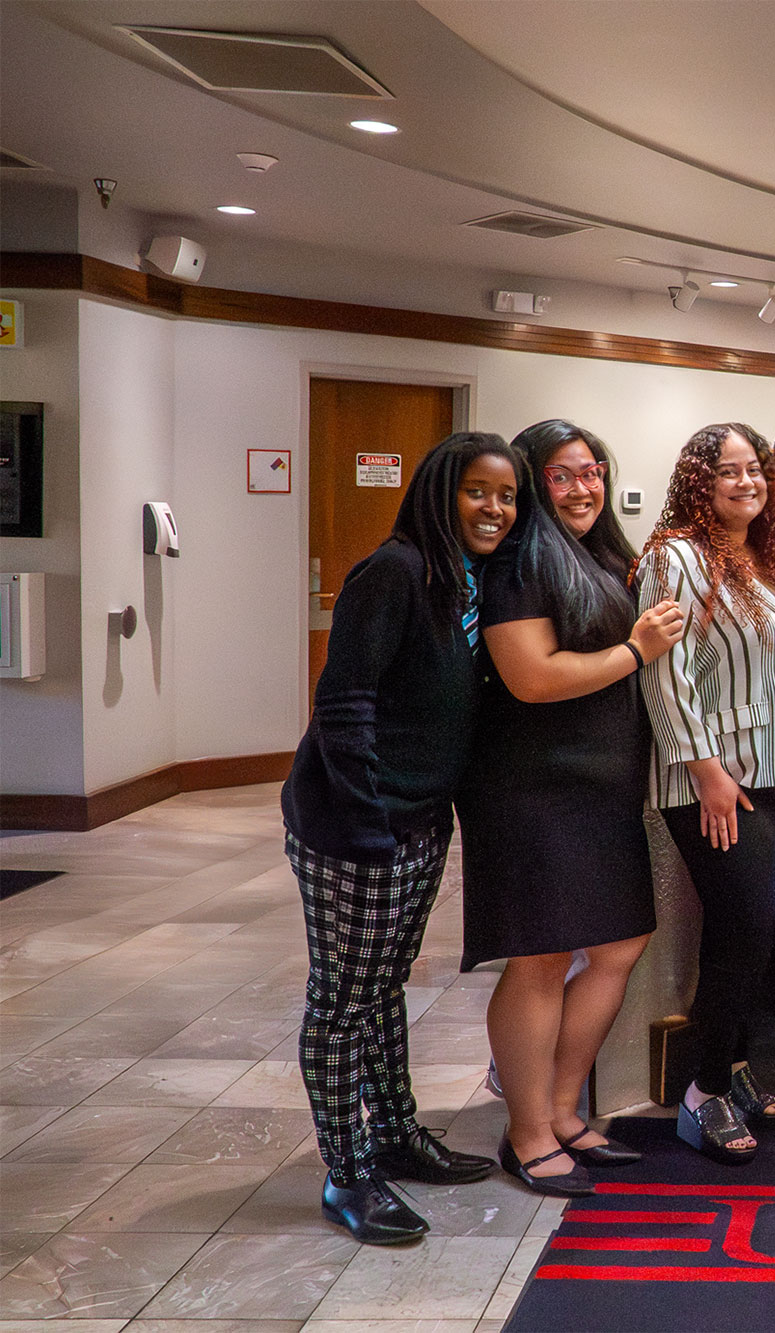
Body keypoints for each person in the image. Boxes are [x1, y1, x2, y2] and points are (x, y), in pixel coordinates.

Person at [284, 433, 522, 1243]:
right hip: (357, 827)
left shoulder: (464, 576)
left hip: (418, 819)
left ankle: (394, 1131)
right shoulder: (393, 569)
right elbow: (344, 701)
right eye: (478, 491)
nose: (495, 508)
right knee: (343, 1000)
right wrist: (366, 824)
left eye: (507, 495)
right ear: (439, 490)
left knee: (384, 988)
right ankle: (347, 1171)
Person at [459, 420, 685, 1198]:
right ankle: (525, 1133)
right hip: (533, 783)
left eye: (593, 471)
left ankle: (560, 1107)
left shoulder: (605, 555)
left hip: (602, 782)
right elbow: (531, 677)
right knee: (542, 955)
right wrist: (636, 651)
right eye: (562, 475)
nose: (584, 487)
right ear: (531, 482)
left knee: (621, 941)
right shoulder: (521, 560)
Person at [636, 423, 775, 1165]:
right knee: (745, 930)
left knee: (753, 930)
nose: (746, 481)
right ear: (698, 479)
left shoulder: (764, 551)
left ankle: (738, 1063)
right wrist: (705, 768)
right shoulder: (676, 556)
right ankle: (703, 1088)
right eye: (728, 471)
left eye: (756, 469)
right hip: (720, 780)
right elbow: (666, 672)